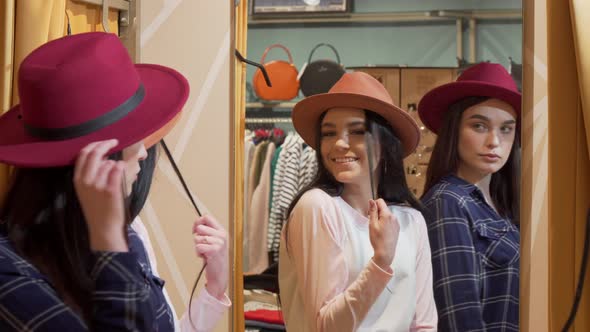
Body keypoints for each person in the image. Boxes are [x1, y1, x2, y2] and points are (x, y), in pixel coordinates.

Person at [0, 32, 230, 331]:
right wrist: (109, 240)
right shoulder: (9, 271)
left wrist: (214, 291)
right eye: (130, 137)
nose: (143, 152)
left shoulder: (128, 233)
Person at [278, 72, 437, 331]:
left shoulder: (411, 221)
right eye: (329, 134)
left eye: (357, 131)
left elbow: (425, 323)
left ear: (385, 143)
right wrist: (380, 262)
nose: (340, 143)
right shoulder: (317, 207)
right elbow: (326, 326)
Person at [418, 62, 521, 331]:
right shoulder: (448, 202)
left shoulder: (503, 204)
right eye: (479, 126)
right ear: (454, 129)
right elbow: (458, 316)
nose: (494, 141)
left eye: (506, 129)